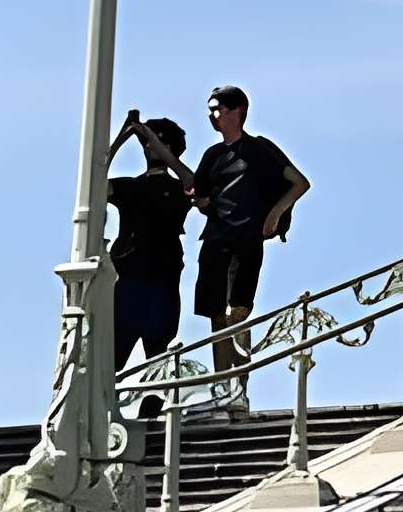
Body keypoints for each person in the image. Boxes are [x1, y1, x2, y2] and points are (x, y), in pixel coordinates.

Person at [191, 86, 310, 398]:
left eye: (217, 108)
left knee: (238, 311)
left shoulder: (258, 149)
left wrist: (274, 214)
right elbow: (200, 194)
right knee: (216, 314)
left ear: (236, 111)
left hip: (246, 238)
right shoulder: (212, 155)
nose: (211, 115)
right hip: (216, 238)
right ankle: (221, 387)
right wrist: (201, 203)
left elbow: (299, 183)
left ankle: (238, 387)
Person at [104, 113, 196, 371]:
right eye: (149, 143)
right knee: (111, 359)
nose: (151, 147)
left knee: (158, 360)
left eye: (160, 143)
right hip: (129, 280)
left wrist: (153, 139)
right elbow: (94, 180)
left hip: (163, 282)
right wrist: (125, 134)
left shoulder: (181, 188)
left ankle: (153, 410)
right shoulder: (130, 187)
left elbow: (193, 183)